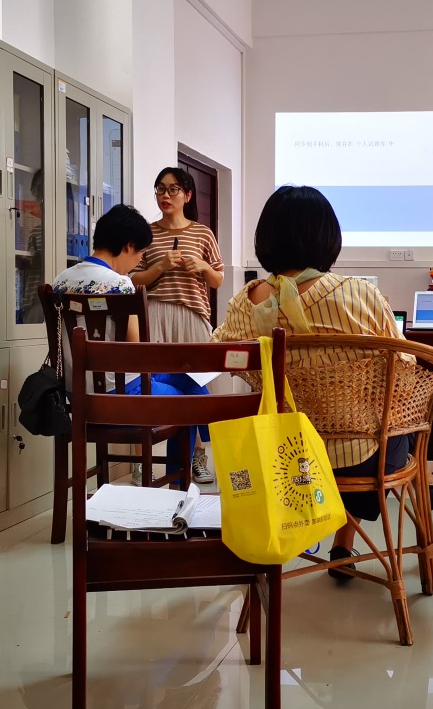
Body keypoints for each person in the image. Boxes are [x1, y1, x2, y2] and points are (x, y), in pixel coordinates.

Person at [213, 185, 406, 582]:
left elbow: (218, 355)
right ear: (327, 237)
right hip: (359, 454)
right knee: (402, 427)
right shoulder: (359, 293)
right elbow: (404, 367)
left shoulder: (243, 305)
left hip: (280, 455)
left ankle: (336, 541)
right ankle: (348, 539)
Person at [51, 203, 211, 473]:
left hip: (76, 396)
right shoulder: (121, 284)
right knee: (187, 403)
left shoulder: (61, 281)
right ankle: (179, 483)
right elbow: (137, 349)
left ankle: (207, 431)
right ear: (128, 246)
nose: (139, 261)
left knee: (188, 379)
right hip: (121, 397)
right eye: (141, 253)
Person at [130, 167, 225, 483]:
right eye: (160, 189)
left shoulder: (203, 233)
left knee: (194, 383)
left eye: (173, 189)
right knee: (150, 383)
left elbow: (218, 279)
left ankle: (196, 458)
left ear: (187, 195)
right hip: (154, 314)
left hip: (192, 316)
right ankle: (144, 460)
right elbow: (133, 279)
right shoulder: (147, 233)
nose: (165, 195)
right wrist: (160, 267)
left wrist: (203, 267)